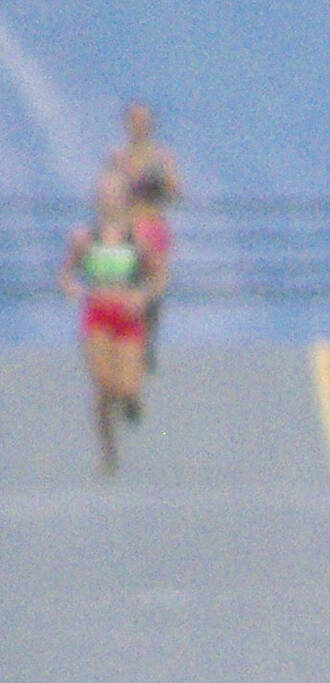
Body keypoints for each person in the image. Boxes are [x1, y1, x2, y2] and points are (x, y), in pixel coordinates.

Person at [60, 172, 163, 474]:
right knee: (103, 385)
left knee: (126, 387)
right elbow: (66, 273)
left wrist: (143, 297)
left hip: (128, 317)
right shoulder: (84, 238)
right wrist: (74, 289)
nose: (110, 201)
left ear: (126, 200)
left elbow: (158, 275)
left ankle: (132, 397)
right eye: (105, 195)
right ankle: (108, 450)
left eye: (116, 195)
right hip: (98, 315)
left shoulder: (137, 238)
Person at [105, 102, 180, 369]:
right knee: (121, 287)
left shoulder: (162, 156)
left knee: (155, 288)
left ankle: (147, 342)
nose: (139, 125)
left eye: (143, 120)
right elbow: (107, 193)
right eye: (134, 120)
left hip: (153, 224)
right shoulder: (118, 156)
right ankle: (121, 344)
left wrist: (158, 179)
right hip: (127, 228)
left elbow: (176, 192)